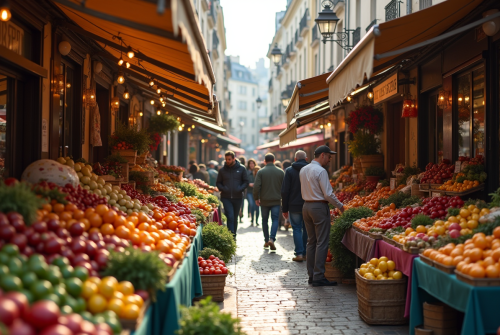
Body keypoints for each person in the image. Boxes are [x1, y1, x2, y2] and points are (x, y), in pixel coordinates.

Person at [300, 145, 345, 287]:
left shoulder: (304, 169)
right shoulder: (321, 171)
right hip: (319, 207)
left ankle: (311, 275)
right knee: (322, 242)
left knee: (311, 241)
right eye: (329, 156)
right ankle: (319, 276)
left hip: (306, 206)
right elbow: (328, 194)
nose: (330, 160)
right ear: (323, 155)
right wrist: (340, 206)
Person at [281, 150, 309, 262]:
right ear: (306, 159)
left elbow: (285, 191)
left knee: (296, 228)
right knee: (306, 229)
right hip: (308, 204)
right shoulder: (310, 170)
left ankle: (299, 254)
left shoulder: (289, 171)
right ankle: (306, 253)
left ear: (295, 159)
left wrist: (285, 208)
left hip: (294, 205)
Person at [253, 153, 284, 251]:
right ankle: (272, 238)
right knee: (275, 219)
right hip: (276, 200)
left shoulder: (261, 172)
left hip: (264, 200)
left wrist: (256, 198)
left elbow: (256, 186)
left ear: (264, 161)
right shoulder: (281, 172)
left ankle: (266, 240)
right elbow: (284, 187)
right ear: (274, 160)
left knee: (264, 220)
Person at [216, 151, 249, 239]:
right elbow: (218, 183)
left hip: (238, 197)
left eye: (229, 159)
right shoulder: (222, 170)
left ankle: (234, 235)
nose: (227, 161)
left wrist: (240, 188)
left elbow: (246, 182)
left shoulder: (242, 169)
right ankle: (231, 237)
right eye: (226, 159)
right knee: (230, 216)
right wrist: (223, 188)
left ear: (234, 159)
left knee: (235, 217)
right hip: (226, 197)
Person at [246, 159, 258, 226]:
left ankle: (256, 221)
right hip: (249, 191)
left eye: (252, 163)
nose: (251, 165)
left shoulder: (257, 171)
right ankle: (252, 220)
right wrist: (248, 184)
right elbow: (244, 181)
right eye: (250, 163)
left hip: (256, 191)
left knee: (257, 207)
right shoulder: (246, 172)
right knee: (252, 204)